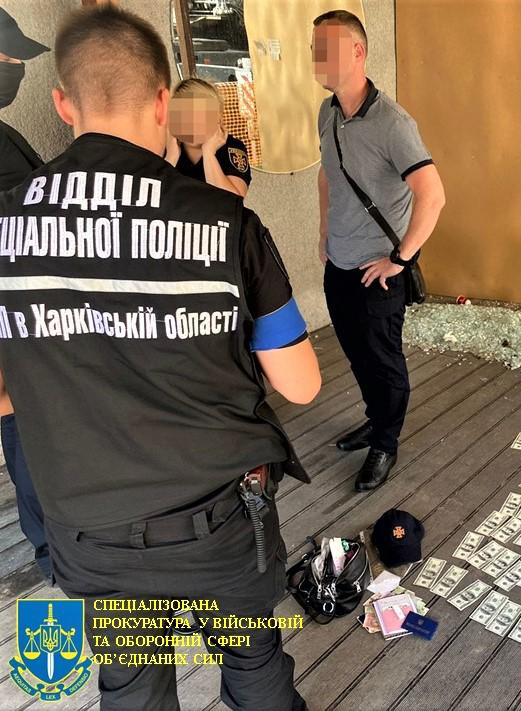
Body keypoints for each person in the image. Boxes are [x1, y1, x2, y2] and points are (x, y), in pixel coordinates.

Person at [0, 6, 320, 710]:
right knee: (254, 665)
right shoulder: (228, 223)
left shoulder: (6, 224)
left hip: (93, 530)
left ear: (63, 103)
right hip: (220, 524)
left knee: (134, 685)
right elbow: (300, 383)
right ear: (160, 101)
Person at [312, 10, 445, 491]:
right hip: (339, 262)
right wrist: (324, 231)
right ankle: (375, 420)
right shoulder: (327, 112)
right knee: (356, 353)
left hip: (379, 270)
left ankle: (385, 442)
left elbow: (433, 195)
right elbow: (327, 173)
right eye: (314, 50)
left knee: (384, 362)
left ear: (358, 52)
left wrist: (400, 259)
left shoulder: (393, 123)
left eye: (326, 49)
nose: (317, 59)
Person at [0, 6, 52, 582]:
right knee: (25, 435)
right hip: (12, 332)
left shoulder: (5, 133)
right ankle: (52, 553)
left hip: (29, 323)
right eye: (6, 57)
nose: (16, 67)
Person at [165, 77, 251, 197]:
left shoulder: (232, 147)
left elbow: (233, 200)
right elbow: (148, 200)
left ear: (218, 117)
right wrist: (171, 158)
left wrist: (209, 154)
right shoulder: (165, 147)